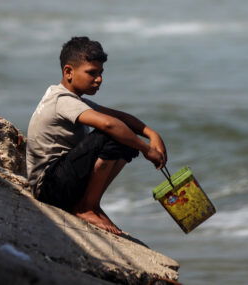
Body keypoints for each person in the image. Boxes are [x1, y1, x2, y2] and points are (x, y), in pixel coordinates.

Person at [26, 37, 167, 235]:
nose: (99, 79)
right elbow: (109, 124)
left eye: (101, 73)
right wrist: (146, 149)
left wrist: (151, 133)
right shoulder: (61, 100)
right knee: (112, 134)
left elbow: (120, 117)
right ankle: (86, 207)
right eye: (92, 73)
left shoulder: (73, 99)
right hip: (49, 189)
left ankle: (92, 203)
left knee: (123, 133)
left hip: (62, 183)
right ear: (68, 72)